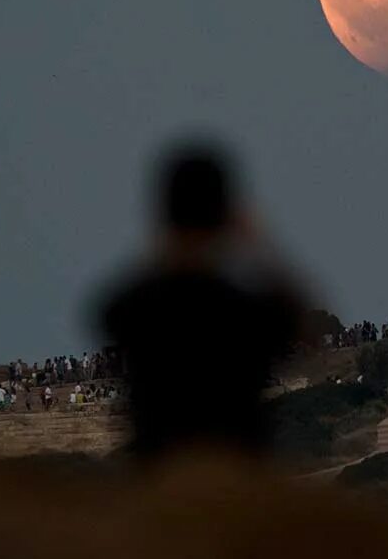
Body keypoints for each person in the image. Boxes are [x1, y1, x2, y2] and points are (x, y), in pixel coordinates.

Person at [96, 142, 303, 463]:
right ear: (225, 215)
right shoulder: (247, 310)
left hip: (161, 481)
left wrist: (168, 243)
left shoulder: (132, 307)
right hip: (238, 478)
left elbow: (110, 310)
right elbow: (299, 322)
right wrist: (261, 247)